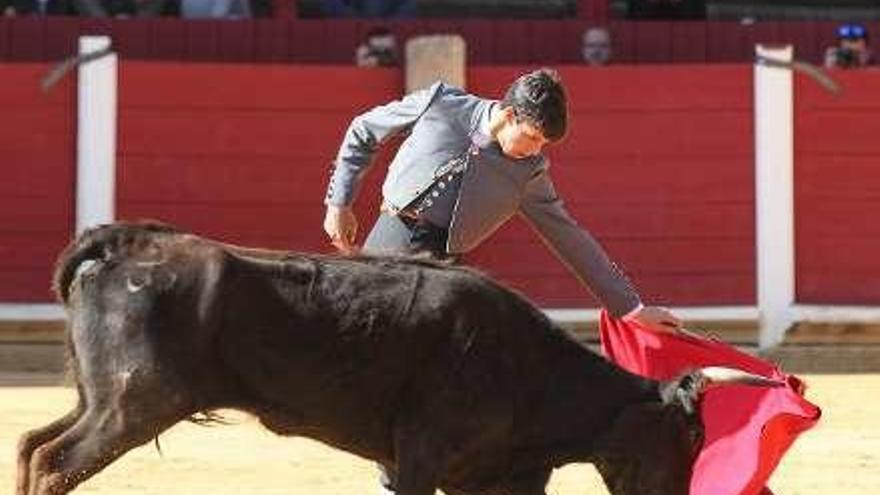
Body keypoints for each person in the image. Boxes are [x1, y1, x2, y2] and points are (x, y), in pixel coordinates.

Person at [323, 68, 681, 331]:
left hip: (440, 268)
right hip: (388, 237)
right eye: (531, 138)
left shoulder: (529, 172)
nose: (536, 151)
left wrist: (631, 308)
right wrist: (339, 202)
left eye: (543, 144)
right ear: (509, 116)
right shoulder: (441, 103)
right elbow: (363, 130)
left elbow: (570, 237)